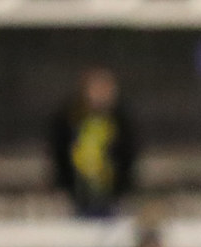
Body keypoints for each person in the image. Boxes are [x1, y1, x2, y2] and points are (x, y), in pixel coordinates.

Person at [49, 66, 137, 217]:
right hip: (77, 194)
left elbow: (128, 154)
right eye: (97, 88)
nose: (102, 94)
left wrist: (124, 188)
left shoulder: (120, 121)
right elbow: (60, 152)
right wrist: (63, 186)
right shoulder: (70, 118)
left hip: (112, 196)